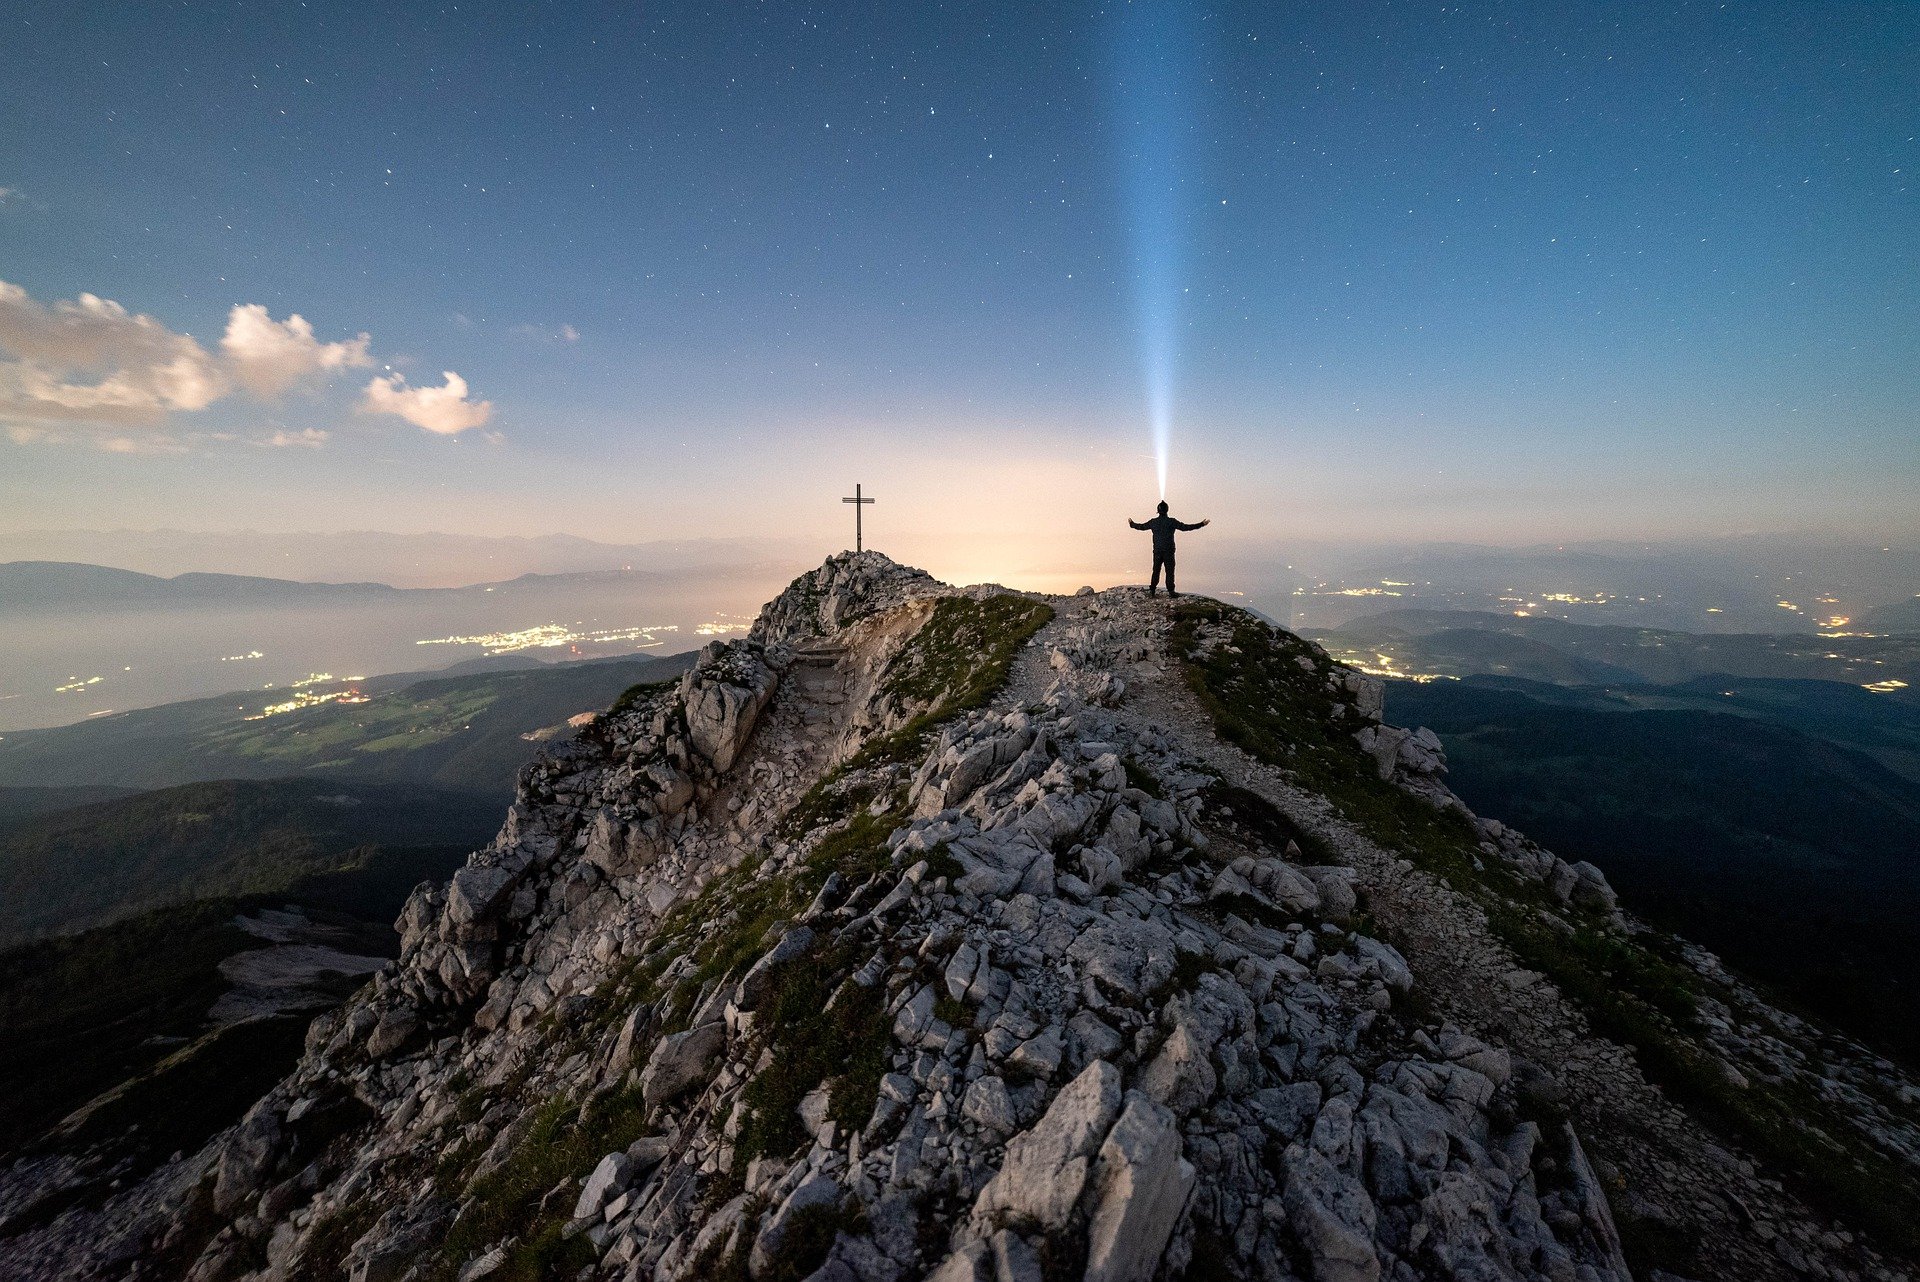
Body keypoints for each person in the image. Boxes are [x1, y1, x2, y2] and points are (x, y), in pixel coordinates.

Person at [1128, 500, 1209, 597]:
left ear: (1158, 511)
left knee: (1156, 570)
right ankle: (1171, 591)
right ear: (1167, 510)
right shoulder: (1172, 522)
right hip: (1169, 551)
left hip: (1157, 551)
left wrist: (1132, 524)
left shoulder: (1153, 522)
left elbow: (1141, 527)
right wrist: (1201, 524)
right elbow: (1186, 527)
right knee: (1169, 571)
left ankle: (1152, 590)